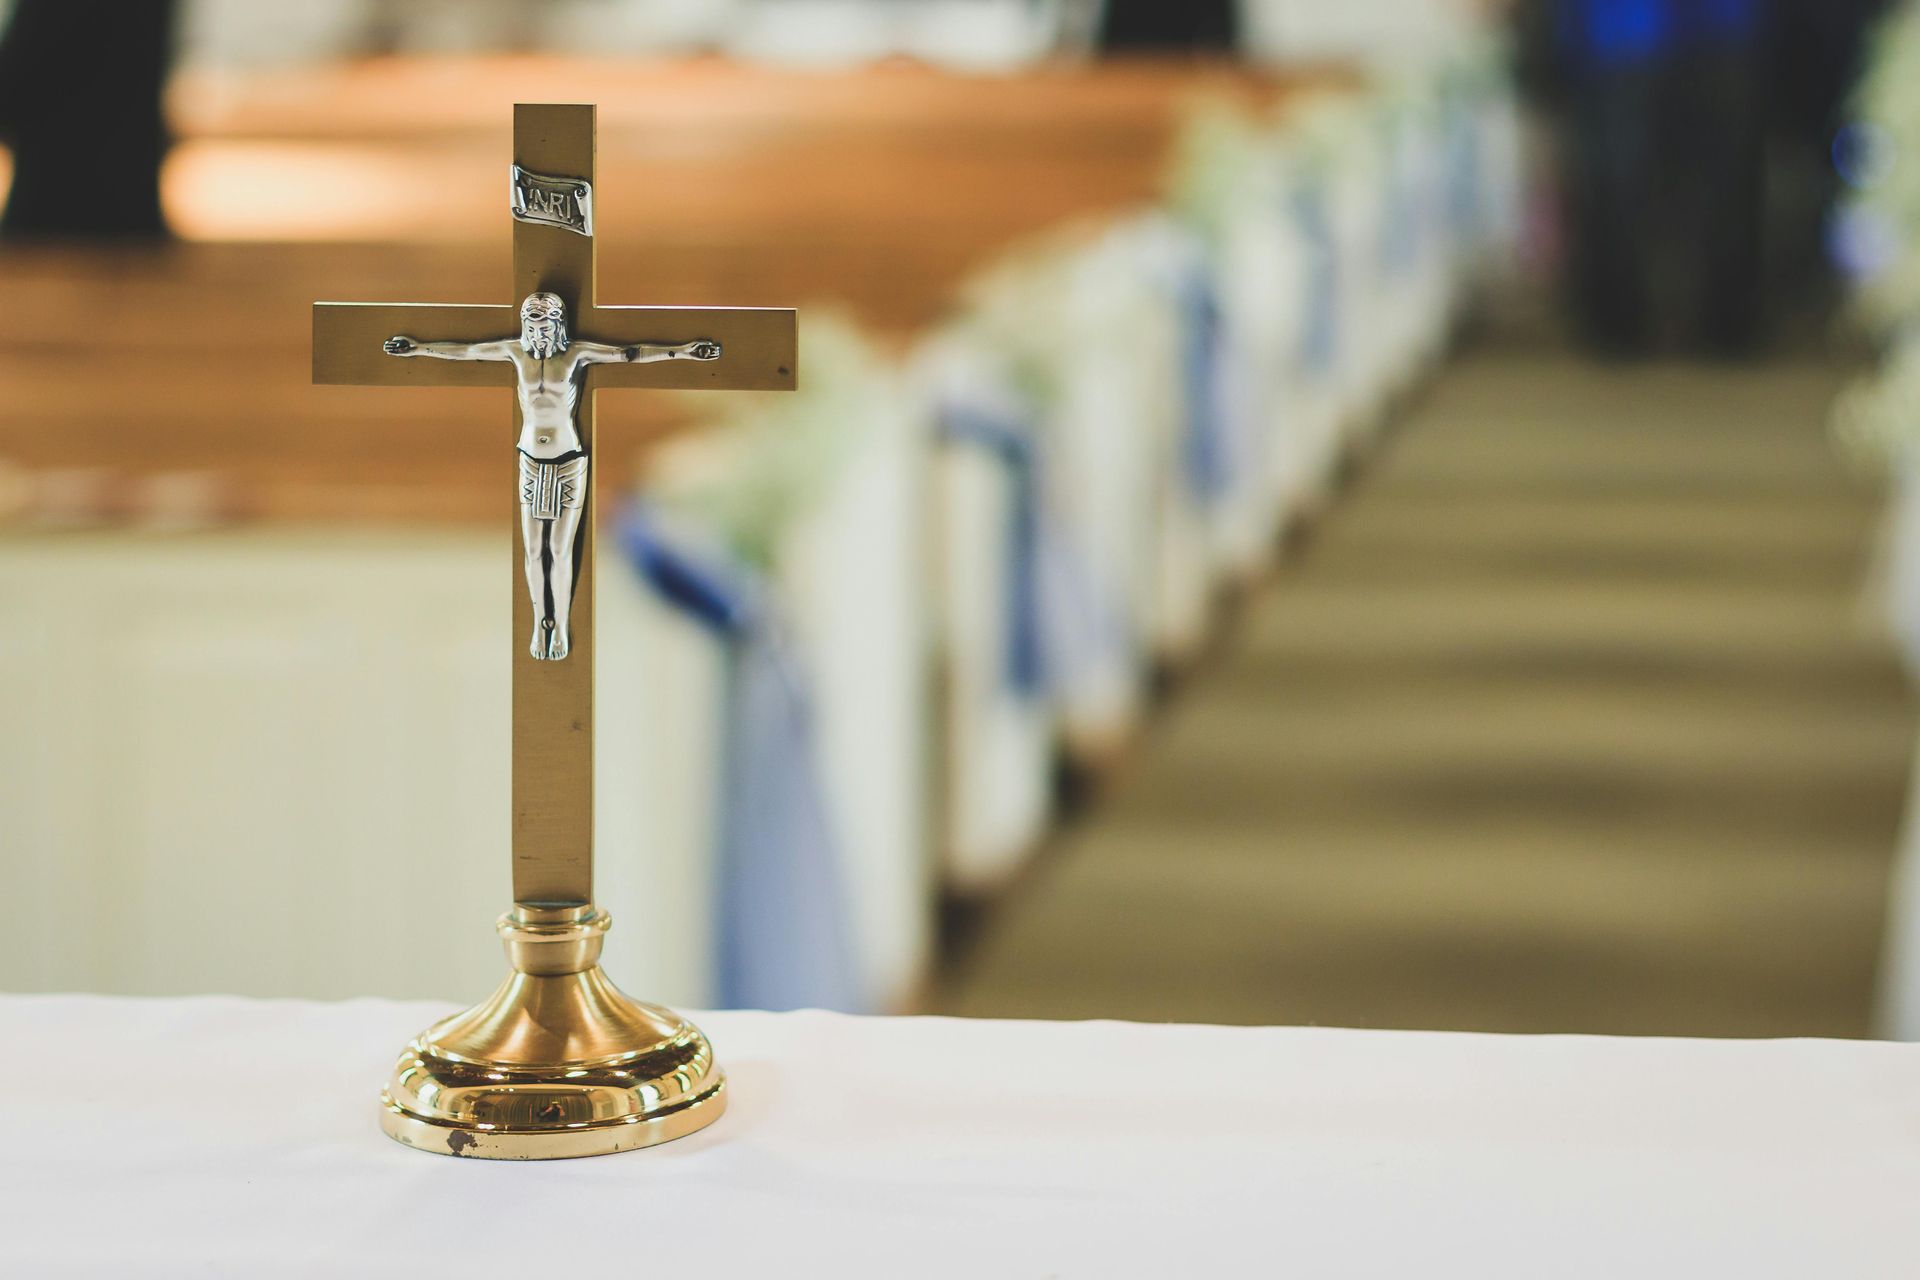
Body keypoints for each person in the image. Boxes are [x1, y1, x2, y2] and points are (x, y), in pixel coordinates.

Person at [385, 293, 721, 660]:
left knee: (560, 549)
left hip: (568, 460)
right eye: (532, 325)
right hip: (530, 459)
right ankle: (539, 620)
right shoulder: (515, 353)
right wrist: (418, 349)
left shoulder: (575, 355)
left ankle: (558, 623)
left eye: (544, 326)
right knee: (533, 549)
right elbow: (467, 352)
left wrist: (685, 351)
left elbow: (629, 353)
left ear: (558, 325)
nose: (538, 333)